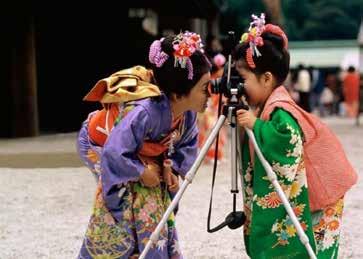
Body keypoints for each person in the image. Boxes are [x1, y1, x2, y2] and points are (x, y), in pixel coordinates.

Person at [77, 31, 211, 258]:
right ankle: (133, 250)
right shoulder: (145, 112)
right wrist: (139, 171)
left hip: (135, 152)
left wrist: (173, 169)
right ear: (178, 94)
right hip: (100, 143)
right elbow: (113, 152)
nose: (210, 94)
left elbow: (186, 145)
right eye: (204, 87)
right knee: (125, 203)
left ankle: (148, 250)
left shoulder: (186, 114)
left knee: (153, 192)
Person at [235, 13, 357, 258]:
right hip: (320, 181)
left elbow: (287, 140)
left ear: (266, 78)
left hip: (325, 187)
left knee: (318, 245)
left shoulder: (279, 109)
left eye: (244, 79)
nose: (239, 85)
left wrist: (256, 125)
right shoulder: (270, 102)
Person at [197, 53, 227, 163]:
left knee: (217, 133)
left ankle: (217, 155)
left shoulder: (218, 81)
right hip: (208, 111)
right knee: (211, 133)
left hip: (214, 110)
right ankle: (209, 156)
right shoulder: (211, 81)